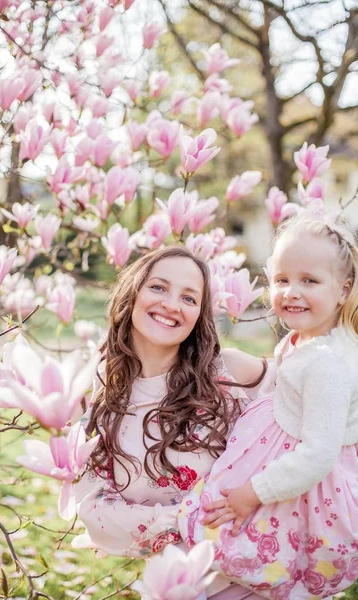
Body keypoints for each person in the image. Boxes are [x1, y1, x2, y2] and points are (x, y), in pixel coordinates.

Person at [178, 213, 358, 600]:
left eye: (309, 280)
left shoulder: (328, 363)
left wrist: (254, 492)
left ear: (343, 290)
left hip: (298, 480)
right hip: (277, 455)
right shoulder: (306, 339)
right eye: (282, 280)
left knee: (267, 543)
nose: (291, 291)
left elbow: (317, 456)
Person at [75, 245, 269, 600]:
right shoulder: (103, 394)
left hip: (265, 577)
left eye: (189, 298)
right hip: (178, 585)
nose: (171, 304)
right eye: (159, 287)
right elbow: (93, 510)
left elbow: (317, 401)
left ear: (199, 316)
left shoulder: (230, 372)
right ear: (133, 292)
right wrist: (184, 520)